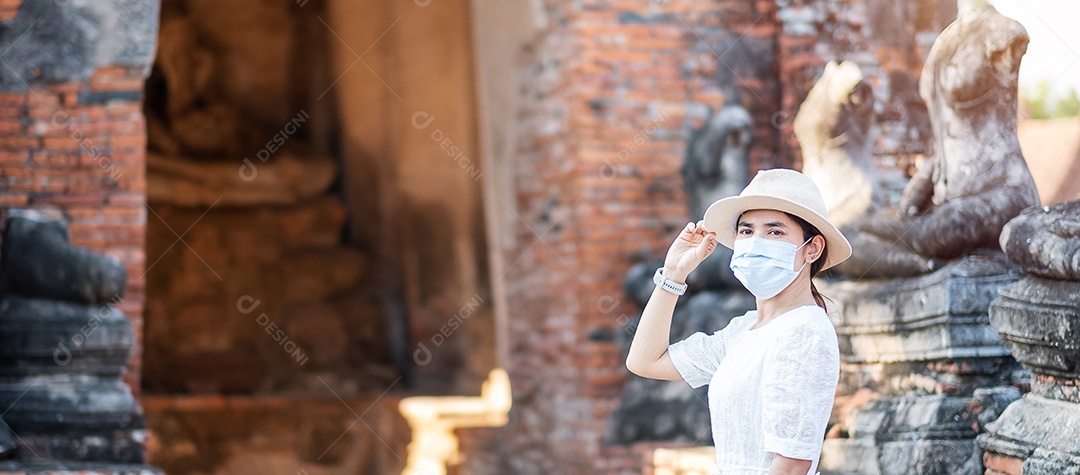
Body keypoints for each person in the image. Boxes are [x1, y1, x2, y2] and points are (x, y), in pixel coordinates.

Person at [626, 168, 852, 475]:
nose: (757, 242)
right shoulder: (742, 331)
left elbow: (792, 464)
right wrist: (674, 275)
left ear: (812, 248)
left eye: (775, 232)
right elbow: (645, 360)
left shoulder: (804, 330)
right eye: (747, 231)